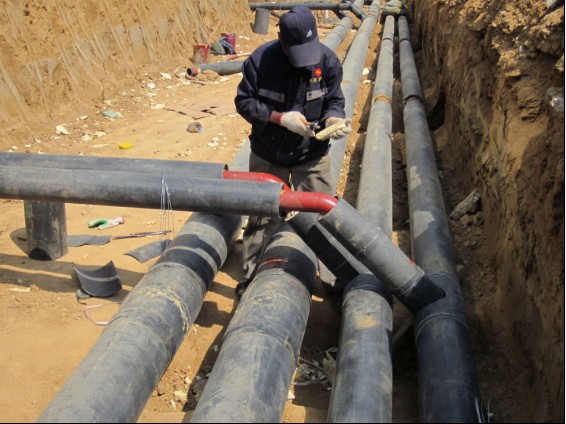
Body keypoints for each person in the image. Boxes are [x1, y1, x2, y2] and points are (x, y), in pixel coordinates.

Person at [234, 6, 352, 298]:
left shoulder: (327, 61)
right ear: (282, 41)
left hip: (311, 155)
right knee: (261, 216)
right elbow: (244, 102)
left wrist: (333, 120)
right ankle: (252, 274)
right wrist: (279, 118)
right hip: (268, 153)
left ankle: (332, 283)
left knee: (322, 218)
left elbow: (335, 101)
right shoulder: (260, 62)